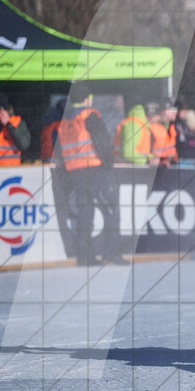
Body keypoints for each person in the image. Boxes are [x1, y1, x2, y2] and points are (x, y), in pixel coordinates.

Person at [55, 83, 125, 266]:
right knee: (111, 209)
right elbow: (103, 142)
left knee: (85, 214)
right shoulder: (89, 115)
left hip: (75, 172)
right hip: (95, 169)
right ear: (88, 98)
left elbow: (61, 149)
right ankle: (112, 253)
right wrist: (108, 164)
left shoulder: (65, 120)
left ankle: (85, 257)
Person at [0, 93, 30, 166]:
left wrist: (8, 124)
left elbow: (24, 145)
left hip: (11, 170)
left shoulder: (17, 122)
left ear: (1, 110)